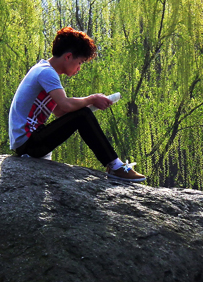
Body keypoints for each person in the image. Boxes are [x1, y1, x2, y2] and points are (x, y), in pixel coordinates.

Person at [8, 26, 146, 182]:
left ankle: (115, 165)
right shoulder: (47, 72)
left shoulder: (43, 70)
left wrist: (90, 105)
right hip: (28, 143)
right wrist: (92, 98)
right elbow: (66, 105)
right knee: (82, 115)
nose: (79, 68)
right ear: (68, 57)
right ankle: (115, 166)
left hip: (28, 142)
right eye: (79, 62)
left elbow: (60, 111)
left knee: (82, 114)